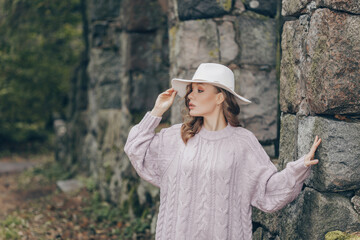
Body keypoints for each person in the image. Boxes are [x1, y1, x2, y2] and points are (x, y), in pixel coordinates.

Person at [124, 63, 321, 240]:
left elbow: (267, 191)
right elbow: (135, 149)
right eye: (191, 90)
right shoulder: (177, 137)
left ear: (220, 97)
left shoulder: (243, 142)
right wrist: (157, 111)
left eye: (200, 90)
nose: (190, 96)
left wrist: (299, 167)